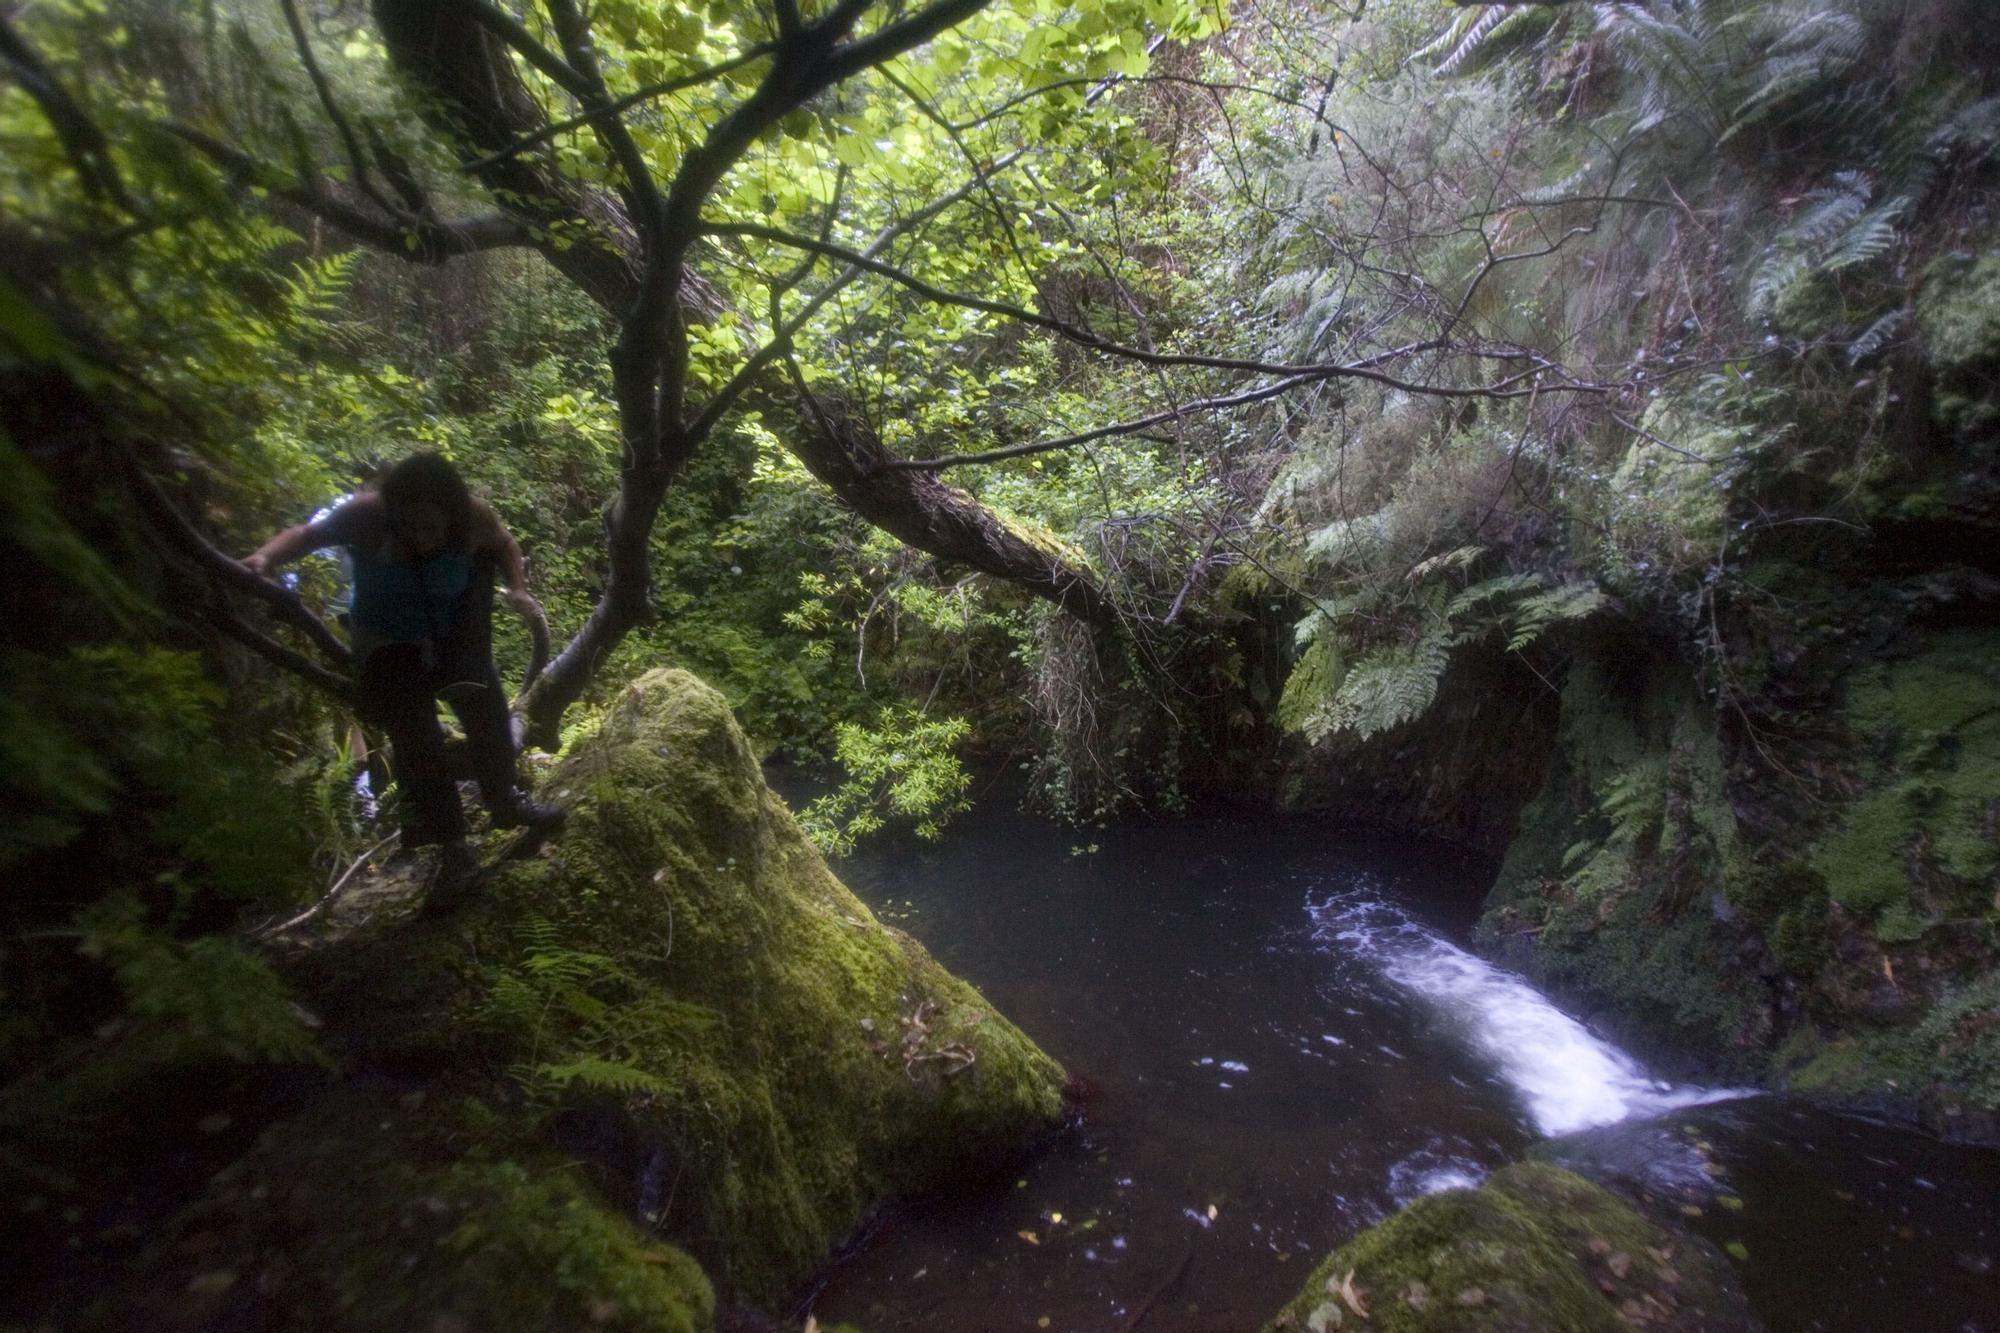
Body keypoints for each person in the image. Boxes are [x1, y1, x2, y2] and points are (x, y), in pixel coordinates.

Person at [243, 453, 561, 901]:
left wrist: (518, 588)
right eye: (408, 526)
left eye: (432, 528)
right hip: (387, 637)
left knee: (485, 705)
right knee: (415, 734)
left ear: (452, 517)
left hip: (449, 630)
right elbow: (307, 535)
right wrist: (263, 558)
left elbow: (505, 545)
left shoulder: (474, 518)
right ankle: (453, 848)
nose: (420, 538)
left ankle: (505, 801)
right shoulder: (365, 516)